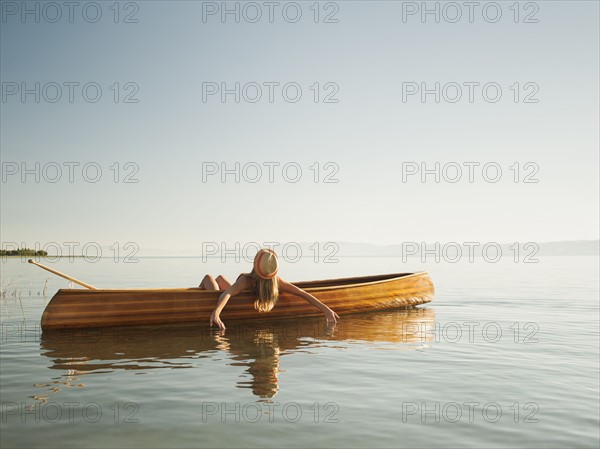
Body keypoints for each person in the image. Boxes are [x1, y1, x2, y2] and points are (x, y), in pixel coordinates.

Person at [200, 248, 339, 331]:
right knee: (220, 278)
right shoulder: (277, 282)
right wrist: (326, 310)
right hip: (240, 294)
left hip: (235, 296)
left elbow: (228, 293)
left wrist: (216, 312)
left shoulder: (247, 280)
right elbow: (302, 293)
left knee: (209, 277)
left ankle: (200, 295)